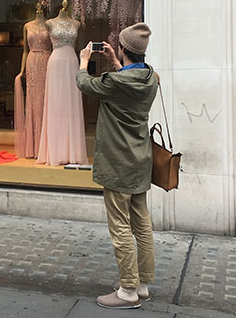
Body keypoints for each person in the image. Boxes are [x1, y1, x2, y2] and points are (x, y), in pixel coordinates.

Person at [76, 23, 159, 310]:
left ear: (124, 49)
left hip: (118, 163)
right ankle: (142, 284)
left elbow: (85, 84)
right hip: (140, 161)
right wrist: (115, 63)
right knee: (142, 223)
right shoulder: (151, 77)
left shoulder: (115, 83)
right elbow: (127, 79)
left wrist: (84, 62)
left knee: (120, 226)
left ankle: (127, 291)